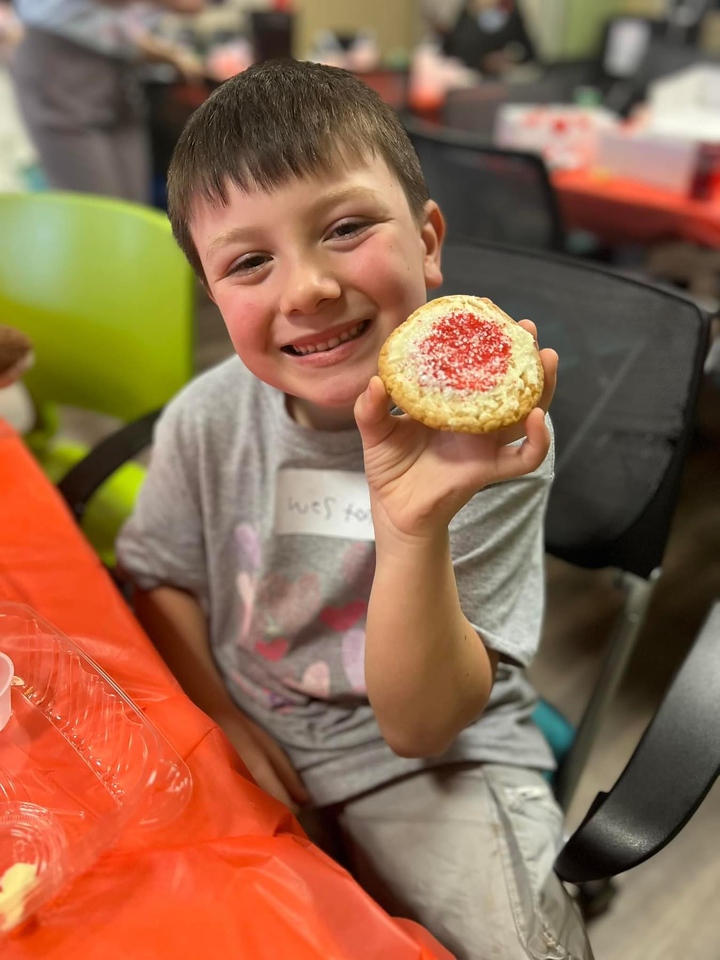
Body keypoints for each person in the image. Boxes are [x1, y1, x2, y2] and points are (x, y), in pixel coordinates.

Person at [116, 59, 594, 960]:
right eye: (250, 261)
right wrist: (221, 717)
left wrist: (412, 526)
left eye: (344, 228)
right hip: (248, 718)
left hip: (425, 758)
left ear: (428, 239)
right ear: (212, 296)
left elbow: (418, 727)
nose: (306, 289)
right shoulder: (207, 420)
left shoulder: (488, 446)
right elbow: (161, 575)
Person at [10, 0, 205, 204]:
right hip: (61, 66)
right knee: (99, 209)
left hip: (115, 73)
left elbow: (112, 28)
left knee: (133, 207)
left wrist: (169, 55)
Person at [442, 0, 537, 77]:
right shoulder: (465, 10)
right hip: (467, 81)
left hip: (501, 82)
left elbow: (529, 52)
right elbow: (452, 51)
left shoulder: (510, 9)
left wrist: (511, 56)